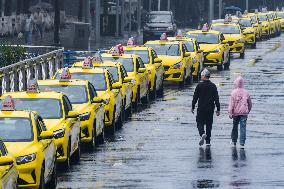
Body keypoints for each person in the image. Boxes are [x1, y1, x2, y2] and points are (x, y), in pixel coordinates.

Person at [192, 69, 220, 147]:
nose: (201, 77)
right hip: (210, 108)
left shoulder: (199, 85)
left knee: (199, 122)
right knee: (209, 124)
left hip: (201, 108)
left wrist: (193, 107)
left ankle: (202, 134)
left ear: (204, 76)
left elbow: (195, 97)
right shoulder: (213, 86)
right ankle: (208, 142)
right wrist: (218, 109)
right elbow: (216, 98)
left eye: (201, 75)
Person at [228, 76, 252, 149]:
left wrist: (230, 112)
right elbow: (250, 103)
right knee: (243, 128)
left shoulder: (233, 92)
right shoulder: (246, 92)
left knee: (235, 126)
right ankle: (242, 143)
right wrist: (248, 110)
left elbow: (231, 104)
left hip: (235, 113)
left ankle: (234, 141)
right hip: (244, 113)